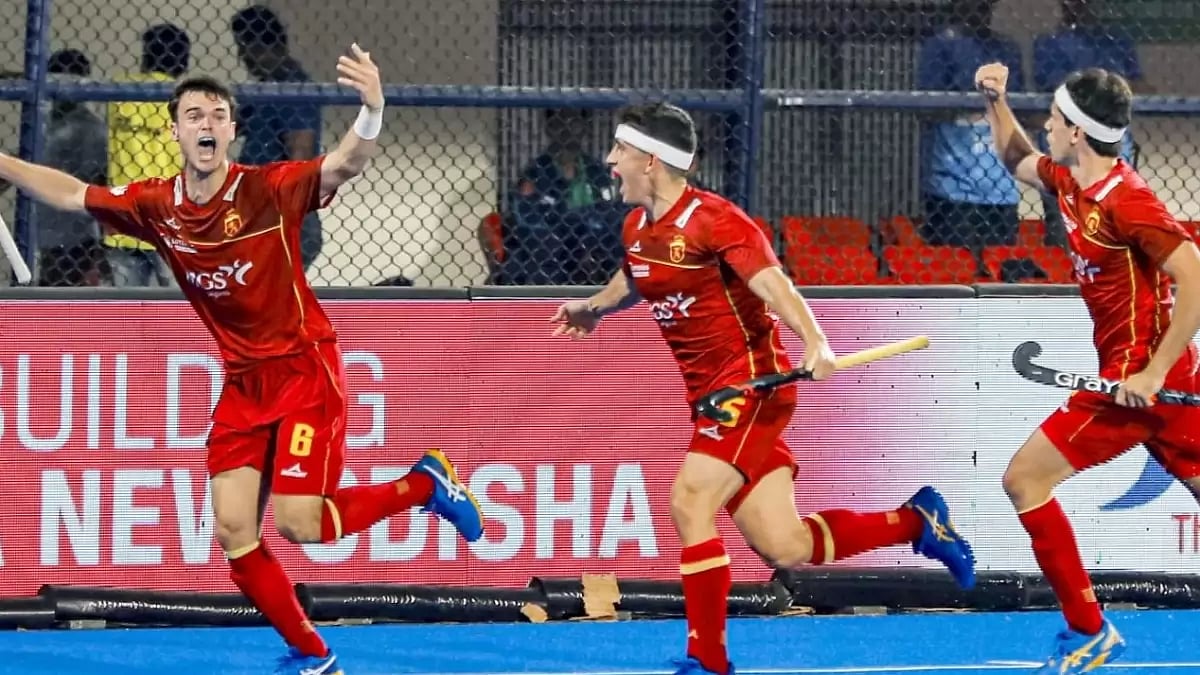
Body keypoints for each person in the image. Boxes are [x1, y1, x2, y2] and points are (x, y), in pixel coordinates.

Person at [0, 46, 484, 675]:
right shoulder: (156, 205)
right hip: (243, 385)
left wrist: (373, 108)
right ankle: (314, 654)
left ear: (232, 129)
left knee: (301, 524)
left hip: (304, 372)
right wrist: (5, 163)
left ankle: (426, 483)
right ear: (174, 129)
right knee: (234, 533)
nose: (206, 124)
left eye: (218, 114)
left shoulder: (268, 189)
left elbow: (344, 165)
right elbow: (72, 194)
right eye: (194, 114)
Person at [549, 102, 976, 675]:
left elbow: (772, 282)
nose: (609, 160)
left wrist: (816, 340)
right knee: (787, 546)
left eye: (620, 150)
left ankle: (707, 659)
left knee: (690, 500)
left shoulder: (717, 220)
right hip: (710, 399)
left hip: (751, 386)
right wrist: (594, 308)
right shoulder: (636, 228)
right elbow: (636, 273)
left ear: (650, 161)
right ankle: (918, 521)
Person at [977, 62, 1200, 673]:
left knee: (1024, 480)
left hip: (1138, 385)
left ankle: (1088, 630)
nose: (1045, 125)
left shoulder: (1129, 200)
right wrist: (995, 102)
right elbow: (1015, 160)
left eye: (1052, 117)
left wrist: (1151, 374)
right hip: (1161, 380)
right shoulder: (1071, 179)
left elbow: (1196, 277)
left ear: (1076, 131)